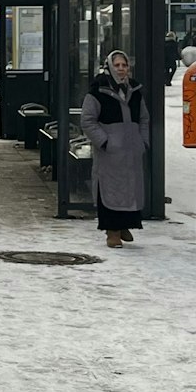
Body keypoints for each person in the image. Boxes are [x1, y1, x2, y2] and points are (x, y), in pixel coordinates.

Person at [81, 50, 149, 249]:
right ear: (109, 66)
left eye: (124, 65)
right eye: (117, 65)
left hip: (131, 150)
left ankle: (125, 224)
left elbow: (144, 118)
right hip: (110, 153)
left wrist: (142, 142)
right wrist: (105, 142)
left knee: (130, 189)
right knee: (110, 190)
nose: (121, 69)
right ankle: (113, 231)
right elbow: (87, 120)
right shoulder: (97, 91)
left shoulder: (135, 90)